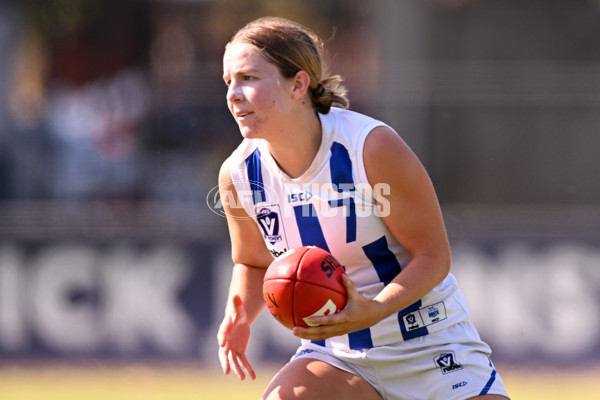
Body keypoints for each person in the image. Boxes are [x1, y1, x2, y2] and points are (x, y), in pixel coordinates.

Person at [216, 16, 510, 400]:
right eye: (228, 82)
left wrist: (373, 309)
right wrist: (240, 315)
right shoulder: (238, 175)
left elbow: (433, 256)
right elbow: (253, 262)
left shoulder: (370, 148)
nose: (233, 94)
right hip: (340, 354)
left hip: (429, 343)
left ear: (299, 84)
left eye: (249, 78)